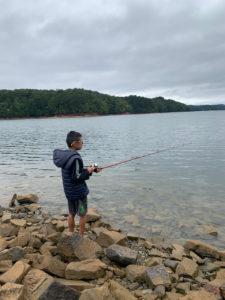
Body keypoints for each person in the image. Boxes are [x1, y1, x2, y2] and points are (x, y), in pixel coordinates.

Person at [53, 131, 100, 236]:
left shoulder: (66, 156)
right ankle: (81, 237)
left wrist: (90, 169)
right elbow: (77, 177)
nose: (82, 144)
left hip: (70, 193)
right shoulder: (76, 158)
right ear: (74, 143)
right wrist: (89, 171)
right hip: (79, 194)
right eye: (81, 142)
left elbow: (74, 172)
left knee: (71, 213)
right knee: (82, 215)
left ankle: (70, 234)